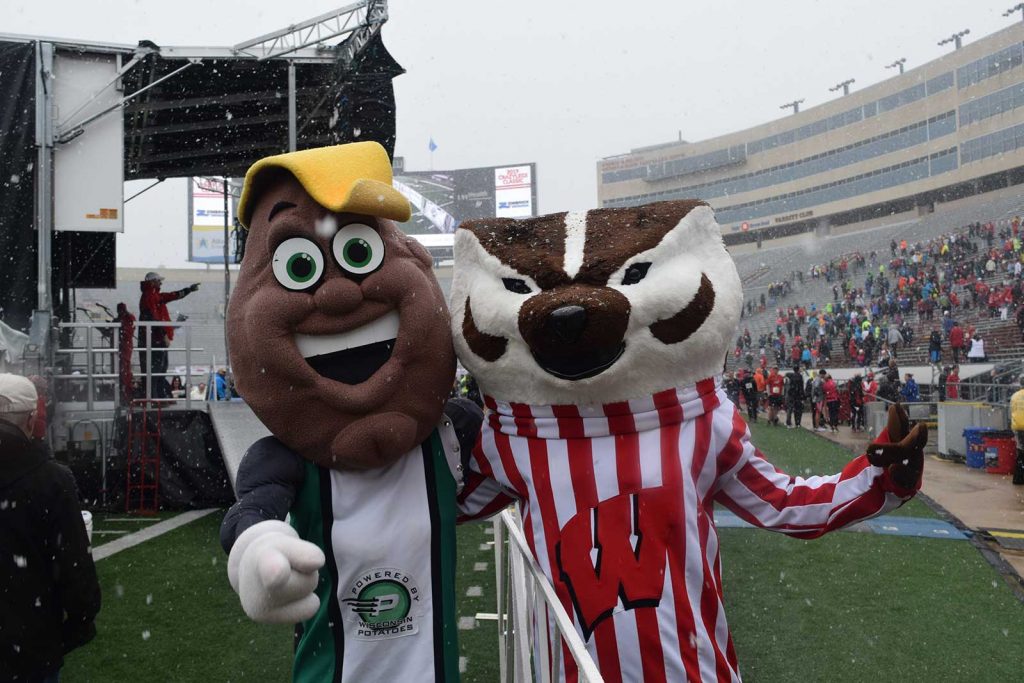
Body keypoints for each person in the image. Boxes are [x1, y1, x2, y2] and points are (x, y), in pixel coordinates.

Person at [0, 374, 101, 682]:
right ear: (31, 420)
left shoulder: (50, 479)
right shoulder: (52, 481)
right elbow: (74, 566)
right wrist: (80, 622)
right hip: (30, 644)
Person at [138, 272, 200, 399]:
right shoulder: (150, 297)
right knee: (156, 370)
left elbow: (173, 295)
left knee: (160, 369)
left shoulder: (154, 296)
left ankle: (157, 397)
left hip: (154, 339)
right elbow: (152, 320)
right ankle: (154, 398)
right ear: (152, 282)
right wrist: (163, 335)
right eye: (159, 281)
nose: (161, 283)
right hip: (154, 340)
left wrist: (188, 290)